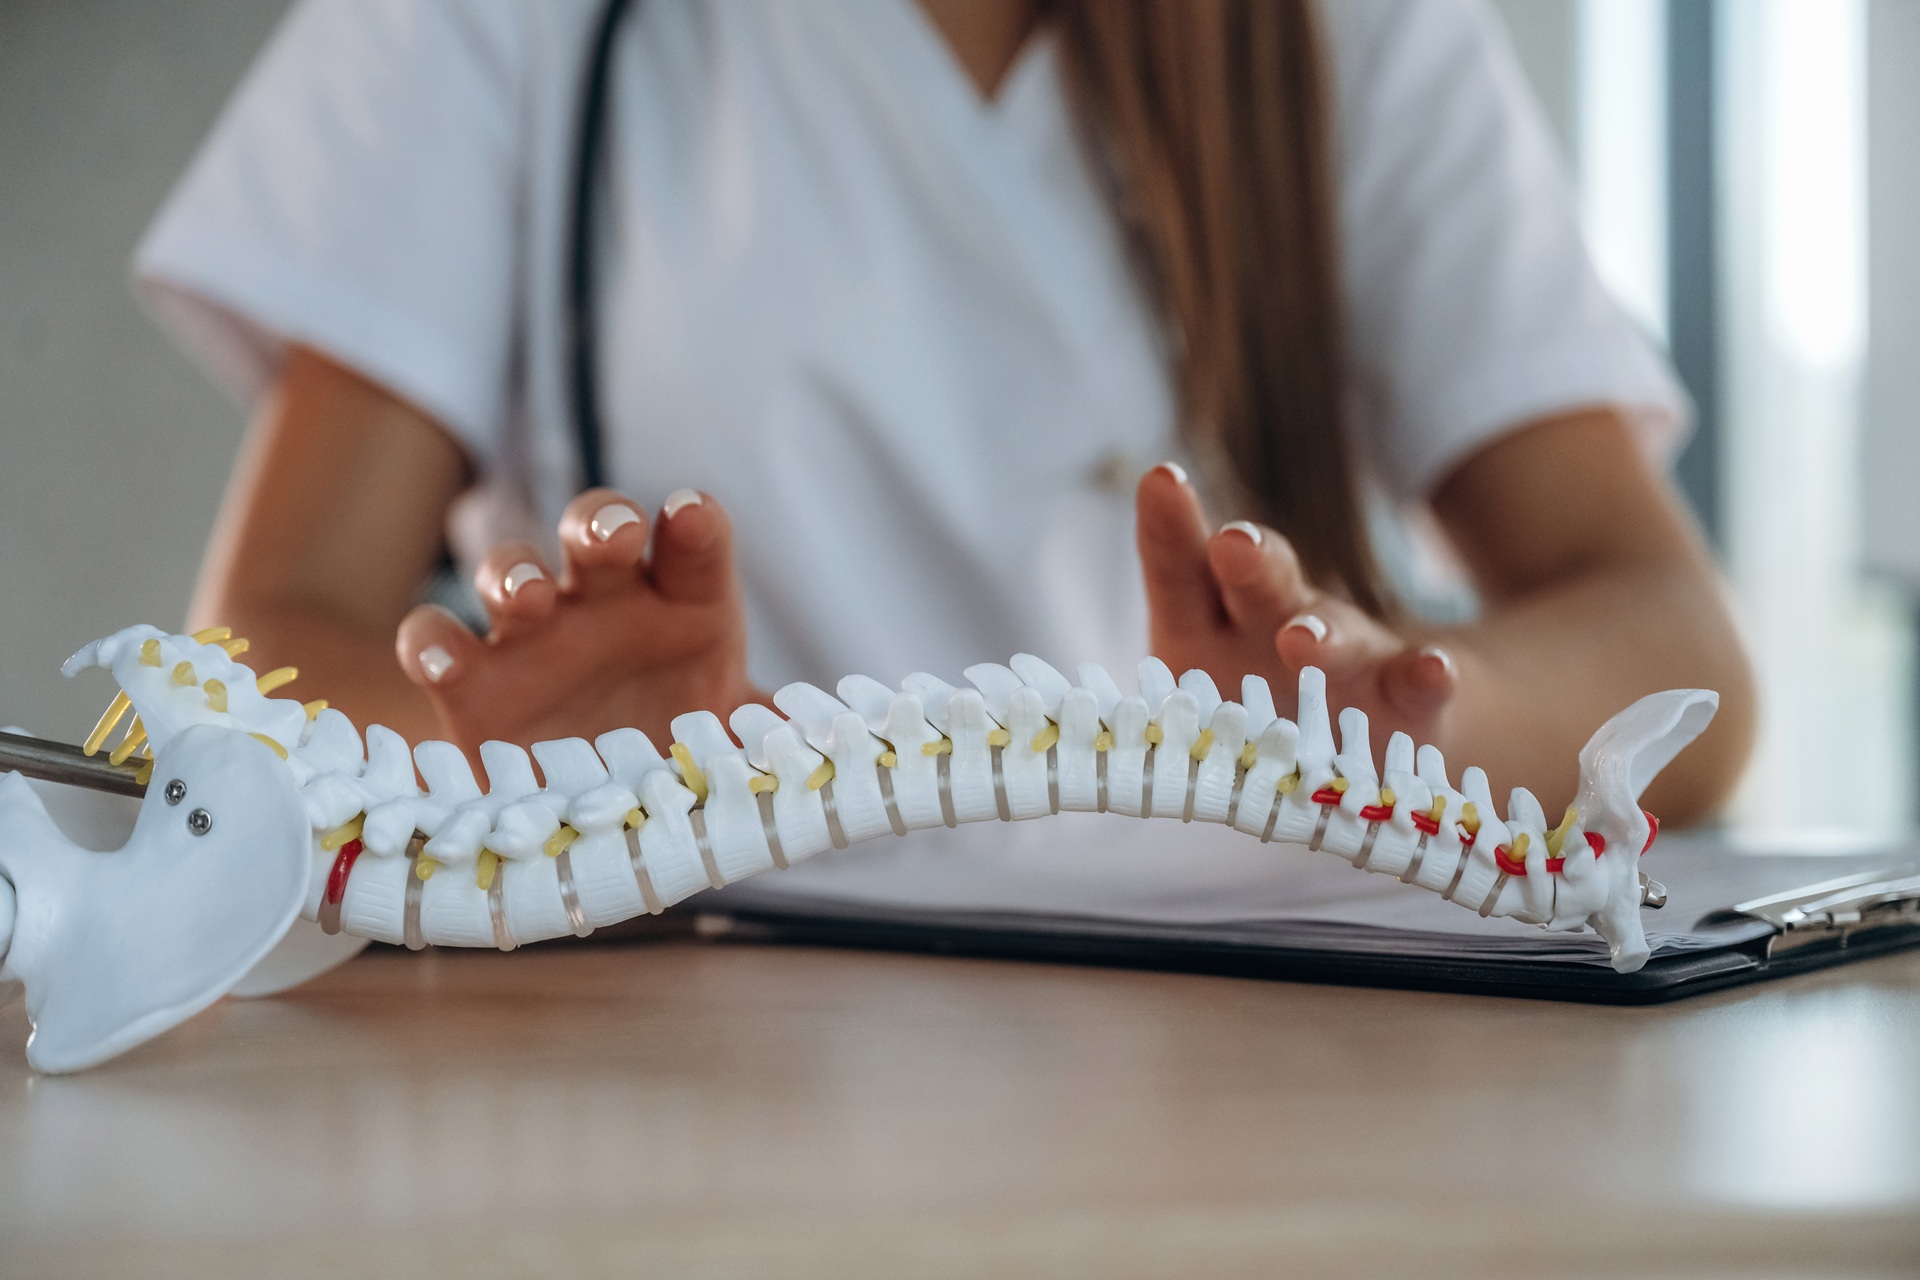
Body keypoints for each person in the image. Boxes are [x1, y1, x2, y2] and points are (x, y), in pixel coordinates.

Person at [136, 0, 1754, 832]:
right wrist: (513, 771)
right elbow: (260, 645)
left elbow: (1681, 653)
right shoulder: (510, 27)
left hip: (1242, 1079)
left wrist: (1407, 724)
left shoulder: (1352, 33)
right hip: (667, 1063)